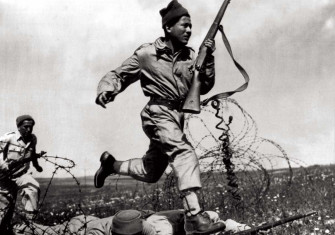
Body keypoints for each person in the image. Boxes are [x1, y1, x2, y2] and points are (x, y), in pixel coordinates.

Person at [94, 1, 235, 234]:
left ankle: (112, 165)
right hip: (156, 113)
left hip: (175, 117)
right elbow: (118, 74)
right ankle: (193, 218)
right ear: (168, 27)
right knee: (184, 152)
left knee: (152, 171)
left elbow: (205, 86)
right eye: (184, 25)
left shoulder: (190, 56)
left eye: (191, 26)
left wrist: (208, 58)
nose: (189, 30)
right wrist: (107, 89)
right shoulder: (147, 53)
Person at [13, 209, 250, 235]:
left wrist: (228, 226)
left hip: (100, 221)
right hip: (81, 227)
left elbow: (224, 224)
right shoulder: (96, 233)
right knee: (45, 232)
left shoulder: (153, 226)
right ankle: (17, 227)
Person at [0, 115, 43, 233]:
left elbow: (32, 153)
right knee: (4, 210)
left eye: (31, 127)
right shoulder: (9, 138)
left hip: (21, 175)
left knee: (33, 187)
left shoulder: (32, 139)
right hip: (5, 178)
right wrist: (3, 166)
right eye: (26, 127)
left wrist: (37, 166)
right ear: (19, 127)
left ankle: (29, 224)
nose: (29, 130)